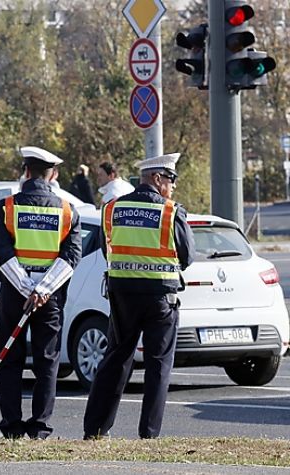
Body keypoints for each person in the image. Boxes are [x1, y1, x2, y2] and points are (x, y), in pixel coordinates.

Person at [83, 153, 195, 440]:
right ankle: (149, 434)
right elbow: (187, 256)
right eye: (170, 180)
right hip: (160, 297)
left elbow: (108, 251)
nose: (172, 187)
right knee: (158, 364)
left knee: (116, 358)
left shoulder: (112, 210)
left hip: (122, 296)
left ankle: (95, 429)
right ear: (157, 179)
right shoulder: (170, 211)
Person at [0, 146, 82, 440]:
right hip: (49, 298)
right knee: (47, 361)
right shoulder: (68, 211)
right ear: (52, 174)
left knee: (9, 362)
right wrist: (42, 290)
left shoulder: (8, 206)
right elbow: (71, 258)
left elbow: (2, 253)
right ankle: (40, 426)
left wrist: (28, 287)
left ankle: (12, 427)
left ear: (26, 172)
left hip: (14, 296)